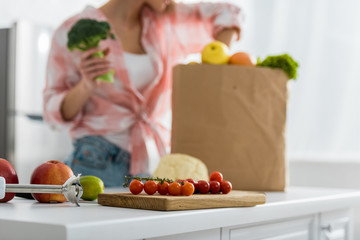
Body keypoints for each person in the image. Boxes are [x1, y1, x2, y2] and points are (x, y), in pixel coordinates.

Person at [43, 0, 243, 187]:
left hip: (155, 160)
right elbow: (52, 114)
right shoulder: (70, 31)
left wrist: (219, 56)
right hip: (95, 161)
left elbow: (229, 12)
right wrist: (86, 85)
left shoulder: (166, 20)